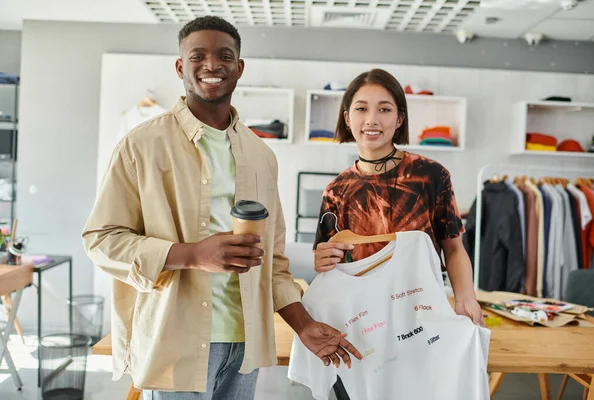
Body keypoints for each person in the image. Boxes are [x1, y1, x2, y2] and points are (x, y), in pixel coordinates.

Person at [82, 16, 361, 400]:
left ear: (239, 67)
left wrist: (304, 324)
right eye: (198, 56)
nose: (211, 64)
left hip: (245, 344)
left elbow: (274, 264)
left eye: (224, 56)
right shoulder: (141, 145)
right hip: (175, 340)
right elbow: (101, 239)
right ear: (181, 66)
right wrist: (193, 255)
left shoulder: (261, 155)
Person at [313, 68, 484, 328]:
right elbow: (328, 263)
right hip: (362, 319)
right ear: (347, 118)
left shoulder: (431, 176)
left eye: (384, 109)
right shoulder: (336, 191)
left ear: (400, 118)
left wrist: (466, 299)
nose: (372, 120)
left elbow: (454, 248)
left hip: (422, 314)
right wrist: (321, 259)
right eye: (361, 109)